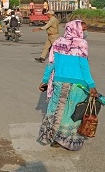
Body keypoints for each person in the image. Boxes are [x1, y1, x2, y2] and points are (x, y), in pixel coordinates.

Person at [37, 20, 97, 151]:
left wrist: (45, 80)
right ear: (76, 30)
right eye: (83, 29)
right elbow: (84, 67)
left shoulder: (58, 42)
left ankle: (53, 137)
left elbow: (51, 64)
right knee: (72, 113)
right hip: (78, 85)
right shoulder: (82, 44)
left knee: (57, 109)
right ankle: (65, 139)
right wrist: (92, 85)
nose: (85, 32)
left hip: (59, 82)